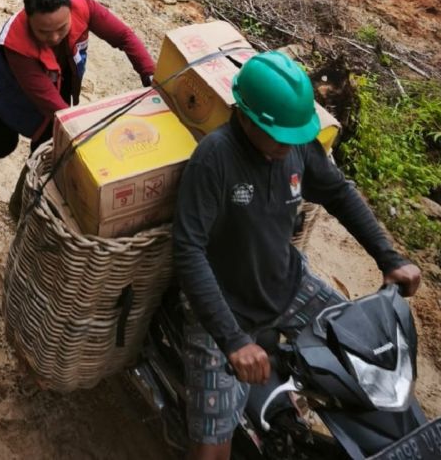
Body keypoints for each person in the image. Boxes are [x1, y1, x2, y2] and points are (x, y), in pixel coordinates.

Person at [171, 50, 421, 460]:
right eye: (279, 137)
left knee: (366, 359)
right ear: (246, 118)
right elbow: (188, 250)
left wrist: (389, 258)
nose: (288, 146)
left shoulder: (295, 144)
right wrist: (232, 340)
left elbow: (338, 192)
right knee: (211, 446)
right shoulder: (214, 159)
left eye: (295, 136)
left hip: (288, 285)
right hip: (224, 309)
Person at [0, 0, 156, 217]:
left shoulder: (83, 6)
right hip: (8, 89)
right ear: (29, 20)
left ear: (70, 10)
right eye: (43, 32)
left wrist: (150, 74)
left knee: (50, 144)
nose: (54, 38)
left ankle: (19, 205)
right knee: (2, 146)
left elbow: (123, 36)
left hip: (57, 77)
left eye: (62, 28)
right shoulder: (17, 47)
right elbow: (55, 108)